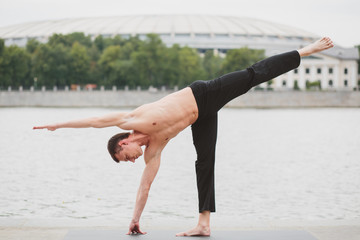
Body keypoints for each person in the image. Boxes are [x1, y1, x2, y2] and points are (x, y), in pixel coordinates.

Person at [33, 37, 334, 236]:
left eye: (125, 158)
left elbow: (95, 121)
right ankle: (203, 224)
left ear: (123, 142)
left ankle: (305, 50)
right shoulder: (153, 152)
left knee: (252, 75)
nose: (131, 162)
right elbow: (144, 188)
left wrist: (58, 125)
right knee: (205, 162)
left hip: (204, 92)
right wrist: (135, 220)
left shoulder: (132, 119)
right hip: (200, 117)